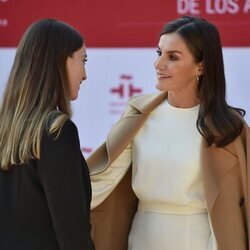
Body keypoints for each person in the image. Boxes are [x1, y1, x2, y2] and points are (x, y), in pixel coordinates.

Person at [87, 16, 250, 250]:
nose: (159, 64)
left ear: (201, 66)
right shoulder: (139, 113)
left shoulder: (229, 127)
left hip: (198, 240)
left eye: (172, 57)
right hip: (140, 236)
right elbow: (101, 180)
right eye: (159, 53)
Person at [0, 19, 94, 250]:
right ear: (60, 61)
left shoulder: (6, 130)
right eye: (82, 61)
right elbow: (72, 234)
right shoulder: (57, 131)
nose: (85, 75)